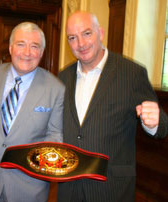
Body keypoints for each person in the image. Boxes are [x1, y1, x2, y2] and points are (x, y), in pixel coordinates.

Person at [57, 11, 168, 202]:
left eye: (87, 33)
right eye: (72, 38)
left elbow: (162, 126)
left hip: (111, 188)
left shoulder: (132, 74)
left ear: (101, 32)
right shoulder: (62, 77)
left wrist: (153, 124)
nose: (81, 44)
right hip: (70, 188)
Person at [0, 22, 65, 202]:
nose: (27, 52)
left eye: (34, 46)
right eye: (21, 44)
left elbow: (55, 135)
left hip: (29, 188)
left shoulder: (56, 88)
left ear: (41, 53)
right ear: (10, 48)